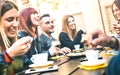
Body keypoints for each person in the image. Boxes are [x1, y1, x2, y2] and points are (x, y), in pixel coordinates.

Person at [0, 1, 32, 75]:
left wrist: (48, 54)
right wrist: (8, 55)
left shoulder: (13, 42)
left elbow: (26, 66)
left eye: (17, 19)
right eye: (9, 20)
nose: (15, 24)